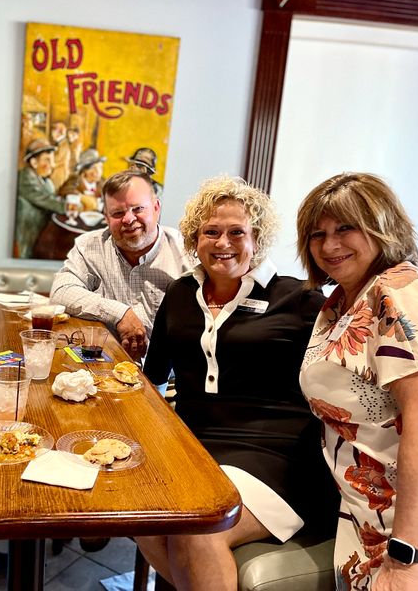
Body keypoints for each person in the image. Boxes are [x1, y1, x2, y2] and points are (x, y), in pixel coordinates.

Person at [138, 175, 338, 590]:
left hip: (275, 453)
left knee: (202, 527)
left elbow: (343, 378)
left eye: (236, 232)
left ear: (257, 239)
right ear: (195, 238)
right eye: (211, 232)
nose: (222, 242)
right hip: (195, 448)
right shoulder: (178, 293)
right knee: (143, 517)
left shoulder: (300, 299)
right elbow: (152, 376)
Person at [297, 172, 418, 590]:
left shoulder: (399, 295)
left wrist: (407, 561)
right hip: (367, 517)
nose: (330, 246)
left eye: (346, 228)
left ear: (383, 226)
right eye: (317, 233)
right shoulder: (342, 301)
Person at [50, 170, 189, 360]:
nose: (129, 219)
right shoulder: (89, 246)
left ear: (156, 208)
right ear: (106, 218)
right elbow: (61, 291)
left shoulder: (187, 252)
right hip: (103, 366)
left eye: (138, 209)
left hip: (171, 379)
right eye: (118, 213)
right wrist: (119, 313)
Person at [14, 138, 66, 258]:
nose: (52, 165)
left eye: (52, 161)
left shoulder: (46, 181)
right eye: (47, 160)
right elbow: (46, 199)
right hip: (27, 240)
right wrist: (67, 206)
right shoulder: (25, 178)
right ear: (34, 162)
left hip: (42, 233)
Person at [59, 148, 106, 212]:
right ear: (84, 170)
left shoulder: (103, 182)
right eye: (93, 168)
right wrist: (82, 197)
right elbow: (65, 190)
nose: (98, 171)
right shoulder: (75, 180)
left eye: (100, 167)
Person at [49, 121, 71, 191]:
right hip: (57, 171)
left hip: (60, 172)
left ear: (59, 132)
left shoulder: (64, 145)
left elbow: (56, 160)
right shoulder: (59, 143)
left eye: (53, 131)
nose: (52, 133)